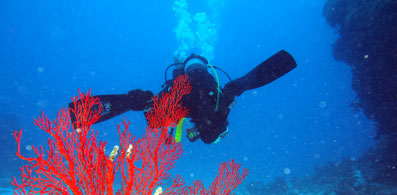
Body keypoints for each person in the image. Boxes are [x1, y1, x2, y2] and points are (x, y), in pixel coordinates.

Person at [69, 50, 297, 144]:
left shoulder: (179, 78)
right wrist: (225, 102)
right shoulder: (210, 79)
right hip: (205, 98)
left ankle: (133, 100)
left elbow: (156, 122)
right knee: (211, 129)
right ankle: (139, 101)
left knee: (151, 111)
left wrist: (151, 103)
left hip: (182, 96)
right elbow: (210, 134)